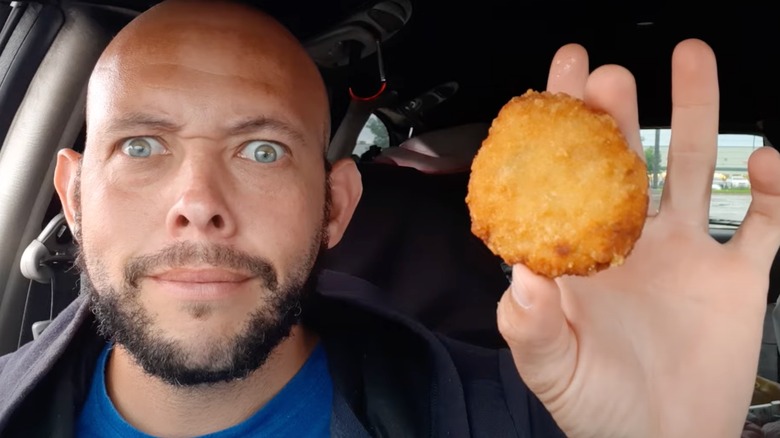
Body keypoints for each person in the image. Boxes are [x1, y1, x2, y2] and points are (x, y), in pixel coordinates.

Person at [1, 0, 779, 436]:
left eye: (263, 152)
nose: (197, 202)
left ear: (337, 204)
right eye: (142, 145)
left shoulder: (507, 419)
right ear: (72, 196)